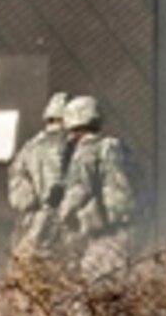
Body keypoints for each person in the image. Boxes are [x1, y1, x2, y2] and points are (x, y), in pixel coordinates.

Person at [58, 95, 138, 281]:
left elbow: (79, 190)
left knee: (93, 286)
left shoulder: (87, 151)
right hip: (128, 227)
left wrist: (63, 216)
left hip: (105, 233)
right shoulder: (116, 147)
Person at [7, 92, 71, 258]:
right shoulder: (75, 147)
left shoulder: (30, 148)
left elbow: (19, 197)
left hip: (34, 225)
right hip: (63, 227)